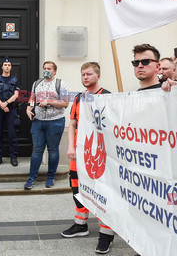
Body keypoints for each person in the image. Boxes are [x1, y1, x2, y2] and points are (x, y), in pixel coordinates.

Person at [61, 62, 114, 254]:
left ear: (98, 76)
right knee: (76, 188)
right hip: (78, 153)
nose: (85, 77)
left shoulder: (108, 97)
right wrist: (71, 147)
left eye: (89, 74)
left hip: (99, 154)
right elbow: (73, 124)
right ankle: (80, 225)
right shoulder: (79, 98)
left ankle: (106, 235)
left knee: (102, 191)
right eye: (83, 74)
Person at [24, 61, 69, 190]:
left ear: (55, 71)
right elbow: (32, 99)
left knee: (53, 150)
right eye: (44, 68)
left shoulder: (61, 83)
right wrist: (28, 109)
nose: (46, 70)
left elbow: (65, 103)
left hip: (55, 121)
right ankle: (32, 178)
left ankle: (50, 177)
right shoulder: (37, 83)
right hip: (38, 121)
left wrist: (48, 101)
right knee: (37, 151)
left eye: (49, 68)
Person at [0, 56, 20, 167]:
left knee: (12, 134)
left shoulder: (15, 80)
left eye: (9, 65)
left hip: (11, 108)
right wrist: (2, 105)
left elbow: (16, 95)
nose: (7, 67)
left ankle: (13, 157)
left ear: (11, 67)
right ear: (2, 66)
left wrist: (6, 103)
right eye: (5, 65)